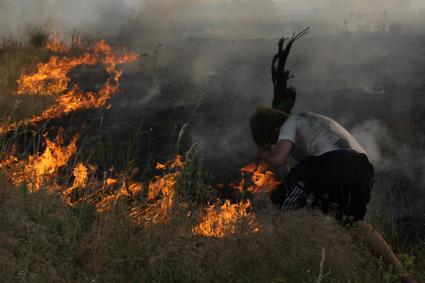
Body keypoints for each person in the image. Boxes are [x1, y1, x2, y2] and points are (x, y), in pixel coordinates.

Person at [250, 107, 417, 283]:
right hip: (363, 169)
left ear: (274, 130)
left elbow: (278, 159)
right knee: (353, 224)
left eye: (272, 140)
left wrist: (263, 153)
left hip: (335, 163)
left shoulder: (291, 122)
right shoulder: (313, 123)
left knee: (280, 207)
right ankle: (403, 275)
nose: (276, 142)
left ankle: (274, 266)